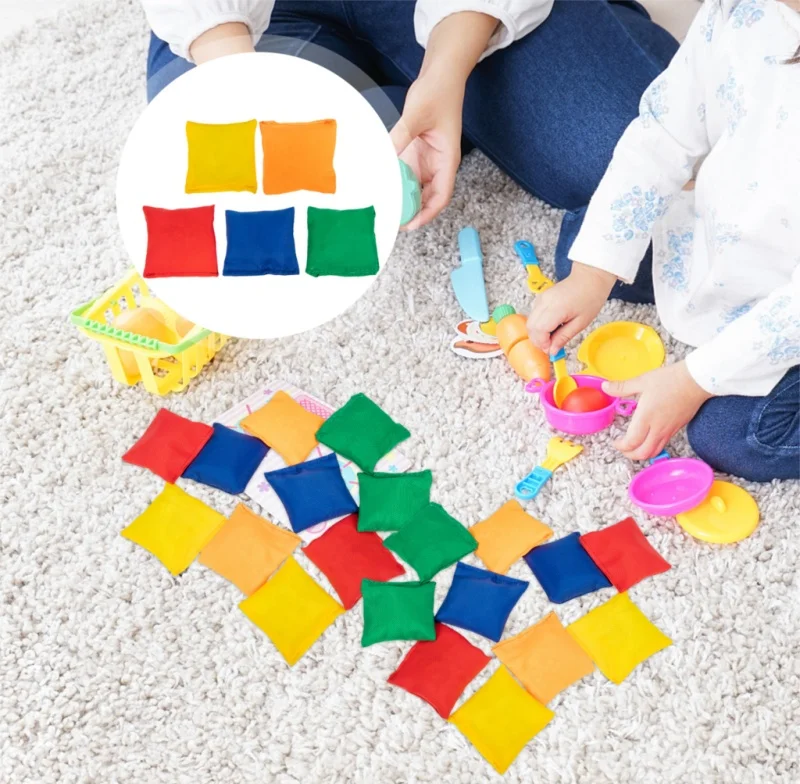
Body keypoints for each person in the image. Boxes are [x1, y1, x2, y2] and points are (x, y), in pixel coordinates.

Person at [527, 0, 800, 482]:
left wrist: (692, 379)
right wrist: (593, 273)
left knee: (732, 436)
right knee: (583, 241)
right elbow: (664, 133)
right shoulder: (739, 10)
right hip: (735, 237)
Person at [142, 0, 678, 232]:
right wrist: (240, 82)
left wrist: (447, 68)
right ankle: (414, 95)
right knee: (215, 176)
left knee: (639, 160)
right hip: (266, 12)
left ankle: (439, 82)